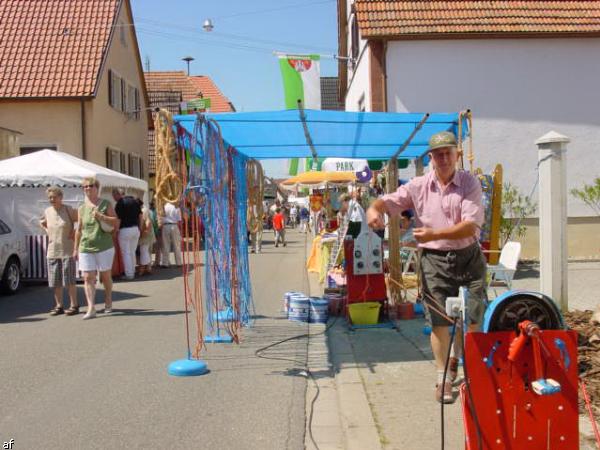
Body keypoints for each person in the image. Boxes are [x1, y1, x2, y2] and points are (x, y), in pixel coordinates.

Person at [366, 131, 486, 404]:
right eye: (438, 154)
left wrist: (433, 234)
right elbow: (386, 201)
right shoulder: (418, 185)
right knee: (439, 323)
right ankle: (443, 377)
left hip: (468, 257)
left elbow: (471, 225)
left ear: (456, 154)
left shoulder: (469, 183)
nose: (444, 158)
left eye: (448, 152)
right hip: (434, 261)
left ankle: (471, 373)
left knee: (474, 319)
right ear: (430, 158)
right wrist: (374, 210)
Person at [74, 177, 119, 320]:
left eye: (90, 186)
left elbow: (115, 222)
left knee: (105, 276)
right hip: (86, 246)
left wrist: (101, 216)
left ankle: (108, 299)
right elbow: (79, 229)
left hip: (104, 246)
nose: (87, 188)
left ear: (96, 188)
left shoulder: (105, 204)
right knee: (87, 277)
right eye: (85, 187)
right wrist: (75, 248)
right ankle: (91, 307)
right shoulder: (81, 208)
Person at [40, 186, 79, 316]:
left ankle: (74, 305)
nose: (52, 199)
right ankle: (59, 305)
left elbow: (81, 220)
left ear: (61, 197)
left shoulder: (68, 209)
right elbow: (42, 222)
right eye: (50, 197)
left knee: (69, 280)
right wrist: (47, 231)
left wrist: (75, 232)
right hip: (53, 250)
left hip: (67, 249)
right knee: (55, 280)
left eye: (54, 197)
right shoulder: (47, 211)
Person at [112, 188, 142, 280]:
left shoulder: (119, 203)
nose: (113, 198)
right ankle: (132, 271)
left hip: (125, 230)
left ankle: (129, 274)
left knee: (126, 253)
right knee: (132, 251)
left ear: (117, 194)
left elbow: (118, 219)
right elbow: (140, 215)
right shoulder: (134, 201)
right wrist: (139, 228)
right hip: (135, 229)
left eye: (114, 196)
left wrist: (116, 230)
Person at [161, 201, 183, 267]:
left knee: (165, 244)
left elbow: (161, 218)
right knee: (176, 244)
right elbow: (179, 220)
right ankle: (178, 262)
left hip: (165, 225)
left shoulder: (163, 207)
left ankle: (165, 263)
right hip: (174, 225)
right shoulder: (176, 207)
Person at [138, 201, 156, 275]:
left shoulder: (143, 210)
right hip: (149, 233)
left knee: (144, 251)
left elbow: (148, 222)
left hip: (145, 233)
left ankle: (143, 269)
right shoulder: (146, 209)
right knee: (147, 251)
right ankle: (148, 267)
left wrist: (143, 232)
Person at [149, 201, 161, 266]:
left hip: (152, 232)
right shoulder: (156, 212)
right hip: (156, 231)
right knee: (157, 248)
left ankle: (152, 261)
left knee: (151, 248)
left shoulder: (150, 212)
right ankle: (157, 261)